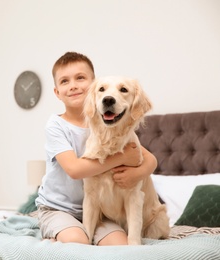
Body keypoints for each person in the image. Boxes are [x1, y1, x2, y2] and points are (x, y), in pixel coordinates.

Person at [35, 51, 157, 246]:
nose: (73, 85)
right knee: (78, 241)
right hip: (58, 208)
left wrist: (137, 173)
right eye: (64, 81)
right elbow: (75, 170)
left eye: (80, 78)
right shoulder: (55, 126)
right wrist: (121, 158)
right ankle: (55, 237)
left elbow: (148, 159)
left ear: (92, 84)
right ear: (57, 92)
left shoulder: (109, 126)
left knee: (120, 245)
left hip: (99, 212)